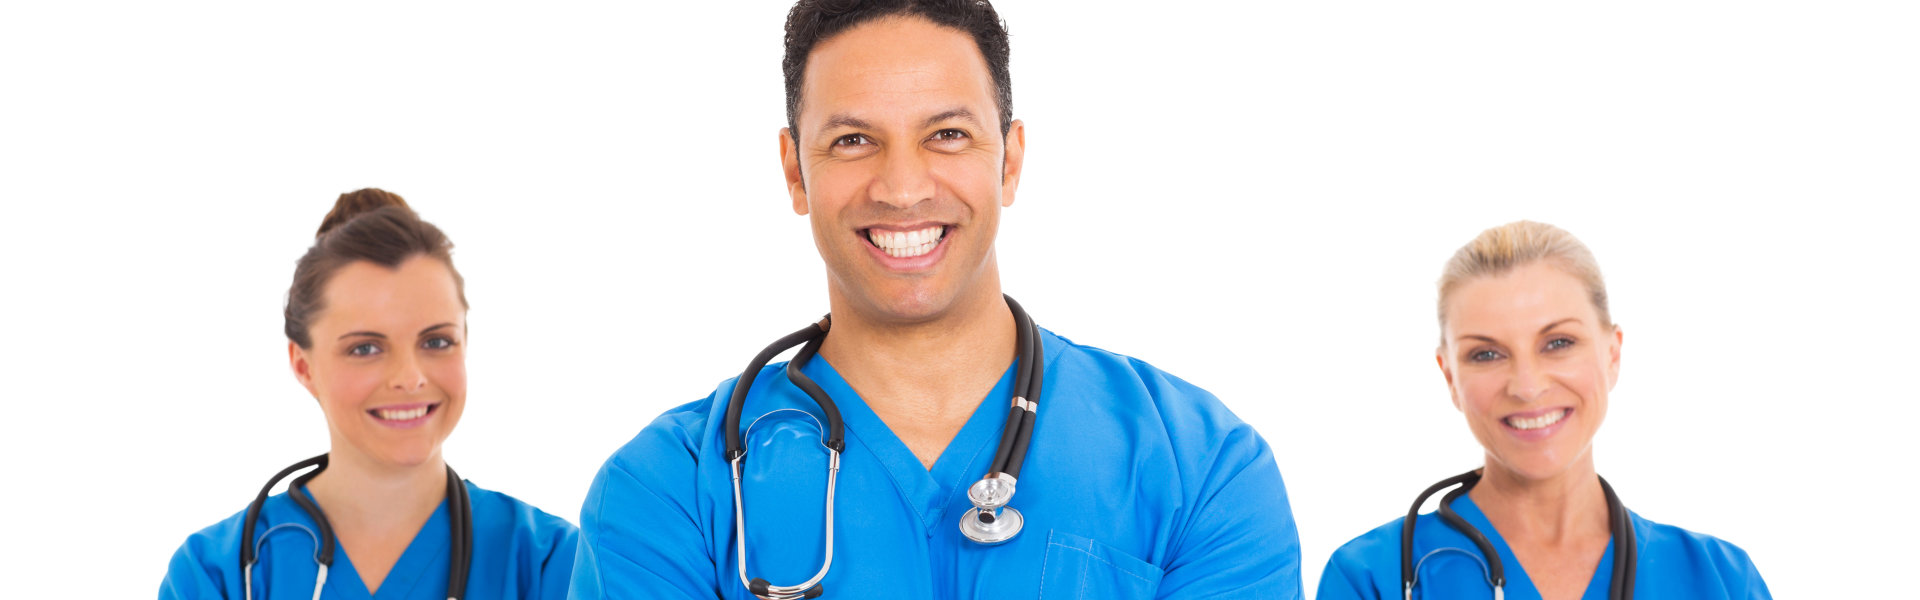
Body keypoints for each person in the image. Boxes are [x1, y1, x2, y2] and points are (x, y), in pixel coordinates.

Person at [565, 1, 1302, 599]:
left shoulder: (1200, 470)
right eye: (854, 140)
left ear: (1010, 160)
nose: (904, 188)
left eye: (946, 134)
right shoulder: (667, 494)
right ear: (795, 172)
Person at [1315, 221, 1771, 599]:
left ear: (1612, 355)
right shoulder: (1372, 577)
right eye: (1486, 354)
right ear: (1450, 377)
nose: (1528, 387)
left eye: (1558, 344)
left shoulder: (1720, 579)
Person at [161, 189, 578, 599]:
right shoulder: (218, 576)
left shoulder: (549, 564)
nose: (409, 377)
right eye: (365, 348)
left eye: (435, 341)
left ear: (465, 341)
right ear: (304, 365)